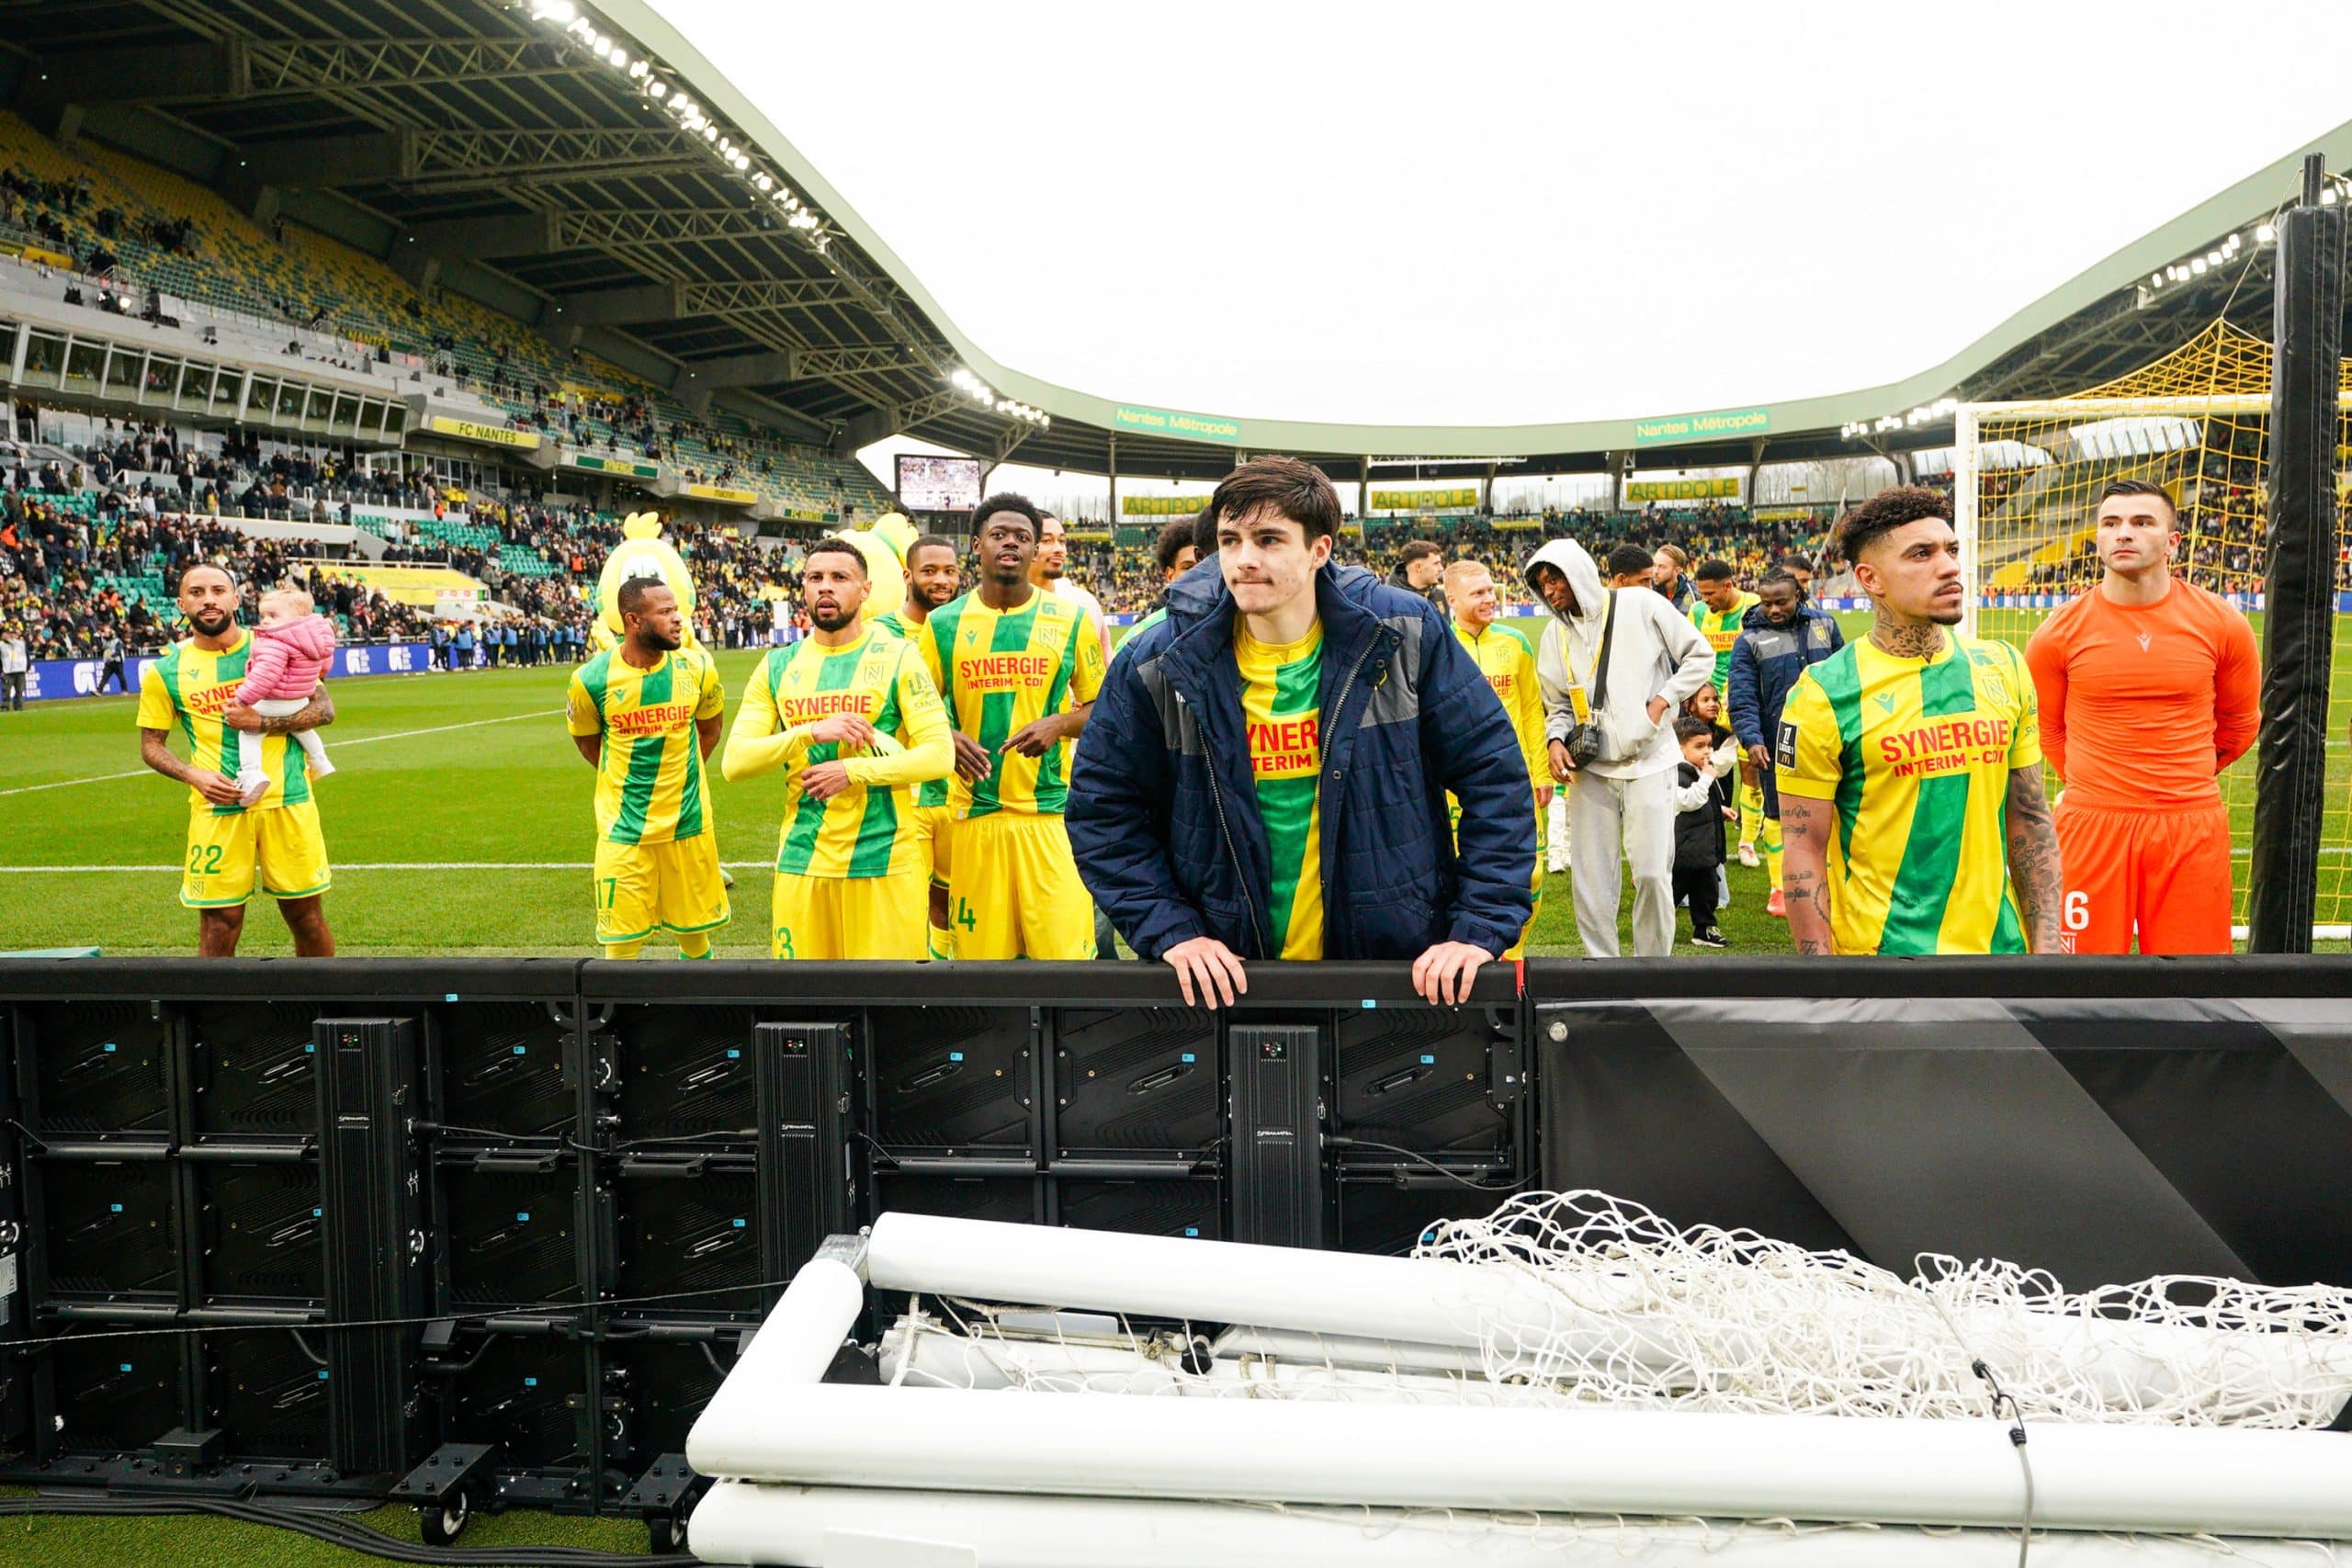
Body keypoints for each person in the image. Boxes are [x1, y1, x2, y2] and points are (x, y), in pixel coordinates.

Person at [1072, 456, 1531, 1008]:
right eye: (1230, 540)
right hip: (1226, 981)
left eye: (1269, 540)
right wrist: (1171, 929)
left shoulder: (1403, 633)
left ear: (1320, 550)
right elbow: (1104, 809)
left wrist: (1478, 923)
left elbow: (1495, 778)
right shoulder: (1157, 659)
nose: (1244, 560)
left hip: (1391, 972)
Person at [1778, 486, 2060, 955]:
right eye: (1921, 554)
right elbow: (1803, 848)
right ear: (1871, 578)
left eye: (1951, 550)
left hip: (1998, 956)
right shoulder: (1823, 693)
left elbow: (2030, 819)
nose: (1949, 567)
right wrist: (1821, 977)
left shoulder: (2003, 667)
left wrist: (2048, 952)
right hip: (1881, 966)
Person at [2024, 478, 2257, 954]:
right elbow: (2046, 729)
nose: (2123, 533)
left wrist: (2179, 779)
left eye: (2141, 522)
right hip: (2090, 825)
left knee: (2193, 988)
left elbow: (2239, 725)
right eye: (2111, 523)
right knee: (2075, 986)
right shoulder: (2057, 634)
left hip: (2189, 827)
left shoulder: (2223, 624)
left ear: (2173, 542)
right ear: (2098, 539)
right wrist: (2101, 785)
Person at [723, 538, 952, 959]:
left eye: (839, 578)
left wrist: (852, 772)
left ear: (865, 589)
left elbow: (940, 755)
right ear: (804, 588)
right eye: (815, 578)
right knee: (805, 1010)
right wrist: (809, 732)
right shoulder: (777, 665)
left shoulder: (899, 656)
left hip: (885, 861)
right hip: (803, 862)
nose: (825, 587)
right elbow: (735, 763)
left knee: (887, 1007)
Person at [914, 493, 1103, 960]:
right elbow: (909, 711)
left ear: (1035, 550)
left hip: (1050, 818)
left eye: (1023, 537)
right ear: (976, 545)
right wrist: (944, 735)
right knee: (985, 971)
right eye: (999, 535)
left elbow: (1105, 709)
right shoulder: (941, 625)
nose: (1011, 544)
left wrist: (1059, 723)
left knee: (1067, 965)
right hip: (975, 818)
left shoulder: (1071, 619)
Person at [1526, 537, 1714, 958]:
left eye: (1556, 579)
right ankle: (1602, 970)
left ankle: (1652, 971)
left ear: (1578, 573)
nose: (1551, 590)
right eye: (1543, 584)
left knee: (1650, 874)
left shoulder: (1640, 605)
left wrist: (1662, 701)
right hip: (1591, 769)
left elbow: (1699, 655)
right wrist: (1556, 739)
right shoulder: (1553, 637)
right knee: (1591, 882)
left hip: (1650, 762)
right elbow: (1557, 704)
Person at [136, 564, 335, 956]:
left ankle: (323, 1009)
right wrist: (193, 774)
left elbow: (324, 710)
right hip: (217, 809)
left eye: (217, 590)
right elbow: (151, 745)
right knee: (219, 922)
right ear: (181, 603)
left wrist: (261, 721)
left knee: (306, 917)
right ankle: (212, 1017)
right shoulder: (166, 671)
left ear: (234, 598)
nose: (207, 599)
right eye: (196, 592)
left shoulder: (274, 643)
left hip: (288, 799)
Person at [564, 575, 729, 959]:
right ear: (633, 620)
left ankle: (701, 1013)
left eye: (678, 610)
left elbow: (711, 729)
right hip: (625, 831)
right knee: (621, 943)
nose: (678, 620)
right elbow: (588, 743)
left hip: (687, 825)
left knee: (695, 936)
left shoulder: (698, 667)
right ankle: (619, 1018)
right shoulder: (590, 680)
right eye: (666, 611)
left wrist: (679, 778)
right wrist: (630, 781)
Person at [1442, 558, 1548, 956]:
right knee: (1460, 869)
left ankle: (1512, 952)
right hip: (1455, 783)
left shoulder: (1515, 643)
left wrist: (1541, 774)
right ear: (1452, 599)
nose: (1490, 599)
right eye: (1478, 593)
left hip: (1514, 779)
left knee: (1530, 869)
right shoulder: (1440, 645)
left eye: (1491, 590)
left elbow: (1532, 712)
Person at [868, 532, 964, 958]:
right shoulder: (879, 634)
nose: (941, 580)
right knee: (908, 903)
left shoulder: (967, 624)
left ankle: (947, 989)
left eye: (949, 571)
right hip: (906, 793)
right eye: (930, 571)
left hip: (960, 792)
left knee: (951, 902)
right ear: (908, 575)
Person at [1726, 570, 1844, 916]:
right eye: (1766, 603)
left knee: (1836, 808)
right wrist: (1752, 740)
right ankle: (1780, 888)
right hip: (1780, 740)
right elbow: (1742, 697)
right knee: (1778, 812)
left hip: (1830, 736)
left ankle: (1834, 879)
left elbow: (1846, 677)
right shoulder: (1749, 641)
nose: (1773, 609)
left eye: (1781, 602)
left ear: (1798, 596)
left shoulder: (1825, 625)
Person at [1686, 559, 1763, 867]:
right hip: (1706, 707)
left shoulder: (1754, 607)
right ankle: (1703, 834)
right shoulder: (1698, 612)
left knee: (1750, 772)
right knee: (1698, 769)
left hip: (1743, 704)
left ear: (1728, 586)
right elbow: (1690, 655)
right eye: (1701, 593)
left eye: (1709, 593)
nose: (1705, 600)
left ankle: (1746, 842)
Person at [232, 586, 337, 806]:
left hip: (275, 700)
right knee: (302, 728)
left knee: (249, 733)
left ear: (298, 617)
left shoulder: (275, 641)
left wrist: (242, 699)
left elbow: (264, 676)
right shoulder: (315, 639)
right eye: (262, 616)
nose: (266, 621)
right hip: (300, 699)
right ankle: (320, 760)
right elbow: (325, 664)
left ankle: (252, 775)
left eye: (273, 615)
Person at [1669, 716, 1735, 949]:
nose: (1707, 752)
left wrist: (1721, 810)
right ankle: (1653, 926)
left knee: (1707, 892)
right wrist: (1707, 777)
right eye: (1699, 746)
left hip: (1704, 851)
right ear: (1679, 748)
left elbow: (1703, 799)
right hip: (1684, 853)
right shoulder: (1676, 773)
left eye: (1709, 745)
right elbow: (1689, 800)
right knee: (1670, 894)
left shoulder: (1698, 770)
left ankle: (1705, 928)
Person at [1034, 512, 1111, 664]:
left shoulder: (1084, 602)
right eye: (1047, 540)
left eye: (1062, 541)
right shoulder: (1000, 605)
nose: (1059, 549)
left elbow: (1106, 659)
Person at [1390, 538, 1450, 626]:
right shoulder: (1393, 601)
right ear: (1418, 567)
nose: (1441, 568)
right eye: (1436, 564)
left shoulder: (1440, 595)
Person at [1652, 545, 1694, 614]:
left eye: (1662, 567)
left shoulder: (1693, 592)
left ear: (1677, 570)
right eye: (1654, 565)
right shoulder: (1648, 590)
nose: (1656, 571)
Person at [94, 628, 128, 695]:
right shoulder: (106, 641)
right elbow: (101, 647)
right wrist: (98, 638)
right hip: (109, 662)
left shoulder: (117, 641)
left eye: (107, 633)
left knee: (121, 676)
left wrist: (111, 655)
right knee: (105, 677)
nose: (105, 635)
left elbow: (118, 651)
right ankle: (99, 691)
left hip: (117, 662)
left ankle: (125, 690)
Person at [0, 626, 24, 710]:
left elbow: (26, 656)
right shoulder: (1, 645)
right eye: (9, 634)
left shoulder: (21, 643)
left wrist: (27, 667)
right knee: (6, 691)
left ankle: (18, 706)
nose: (11, 636)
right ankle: (5, 706)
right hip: (8, 671)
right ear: (5, 635)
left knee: (19, 691)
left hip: (20, 670)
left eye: (13, 634)